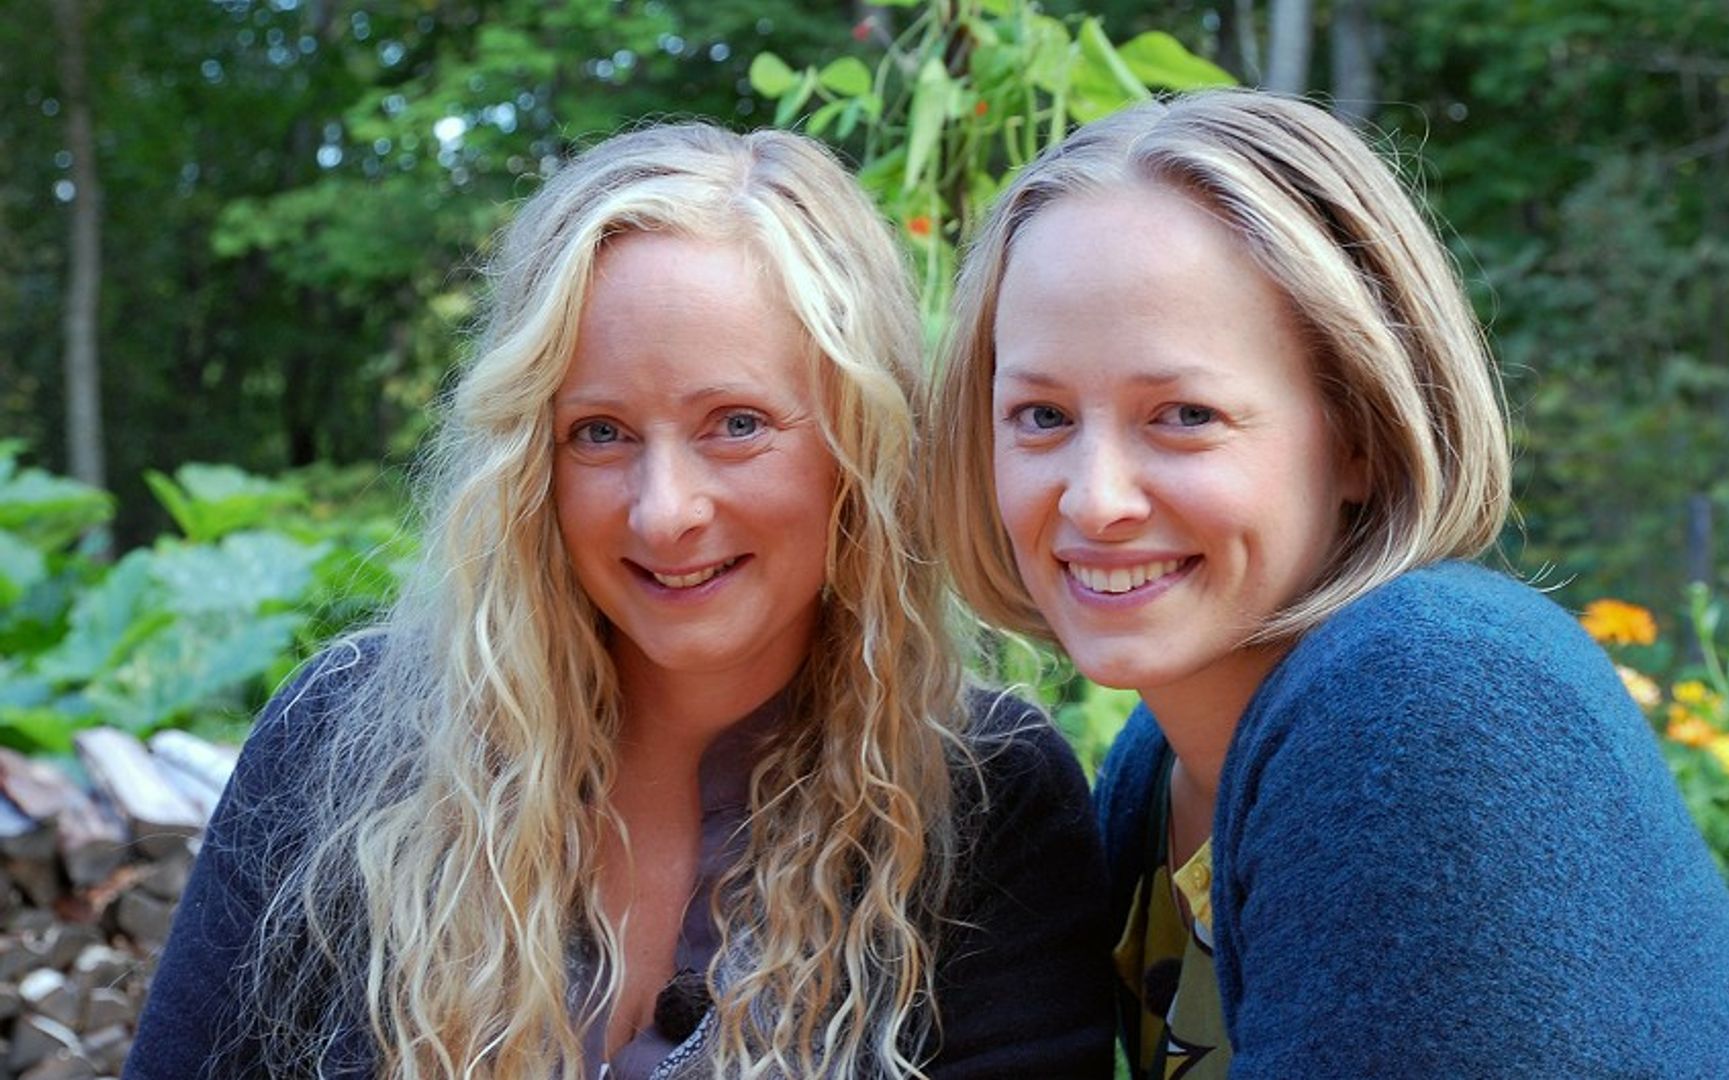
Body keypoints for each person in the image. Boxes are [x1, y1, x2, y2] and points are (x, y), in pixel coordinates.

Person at [127, 123, 1113, 1080]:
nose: (665, 511)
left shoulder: (986, 805)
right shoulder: (341, 739)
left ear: (862, 445)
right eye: (600, 432)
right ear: (531, 462)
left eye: (736, 423)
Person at [929, 89, 1729, 1078]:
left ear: (1359, 433)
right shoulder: (1154, 774)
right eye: (1043, 417)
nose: (1096, 499)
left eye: (1184, 415)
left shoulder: (1428, 699)